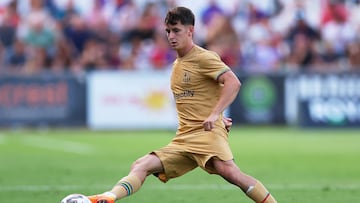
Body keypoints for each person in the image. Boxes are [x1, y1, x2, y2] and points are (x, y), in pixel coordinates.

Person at [85, 6, 277, 203]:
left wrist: (215, 115)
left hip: (206, 134)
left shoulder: (204, 57)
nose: (171, 36)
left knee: (231, 173)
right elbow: (204, 94)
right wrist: (217, 116)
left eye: (176, 30)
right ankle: (108, 197)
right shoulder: (177, 64)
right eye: (168, 31)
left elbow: (233, 82)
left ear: (190, 31)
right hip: (184, 138)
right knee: (141, 164)